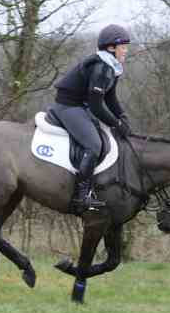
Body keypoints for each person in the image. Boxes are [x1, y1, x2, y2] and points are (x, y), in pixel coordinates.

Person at [49, 24, 132, 215]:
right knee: (94, 144)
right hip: (68, 106)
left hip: (80, 105)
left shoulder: (112, 66)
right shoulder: (101, 67)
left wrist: (122, 116)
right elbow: (96, 105)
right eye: (124, 46)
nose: (126, 50)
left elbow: (110, 98)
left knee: (103, 138)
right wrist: (116, 123)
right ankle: (81, 196)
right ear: (111, 48)